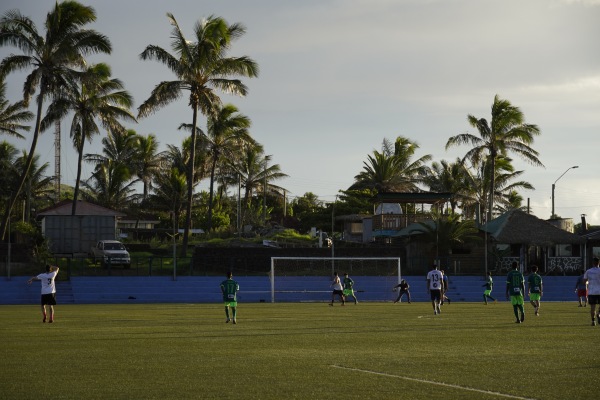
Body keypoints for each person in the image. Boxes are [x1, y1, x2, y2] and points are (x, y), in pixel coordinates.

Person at [584, 257, 600, 326]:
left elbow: (584, 281)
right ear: (599, 263)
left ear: (593, 263)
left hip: (591, 292)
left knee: (592, 307)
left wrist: (588, 282)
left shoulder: (588, 271)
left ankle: (593, 321)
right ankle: (599, 314)